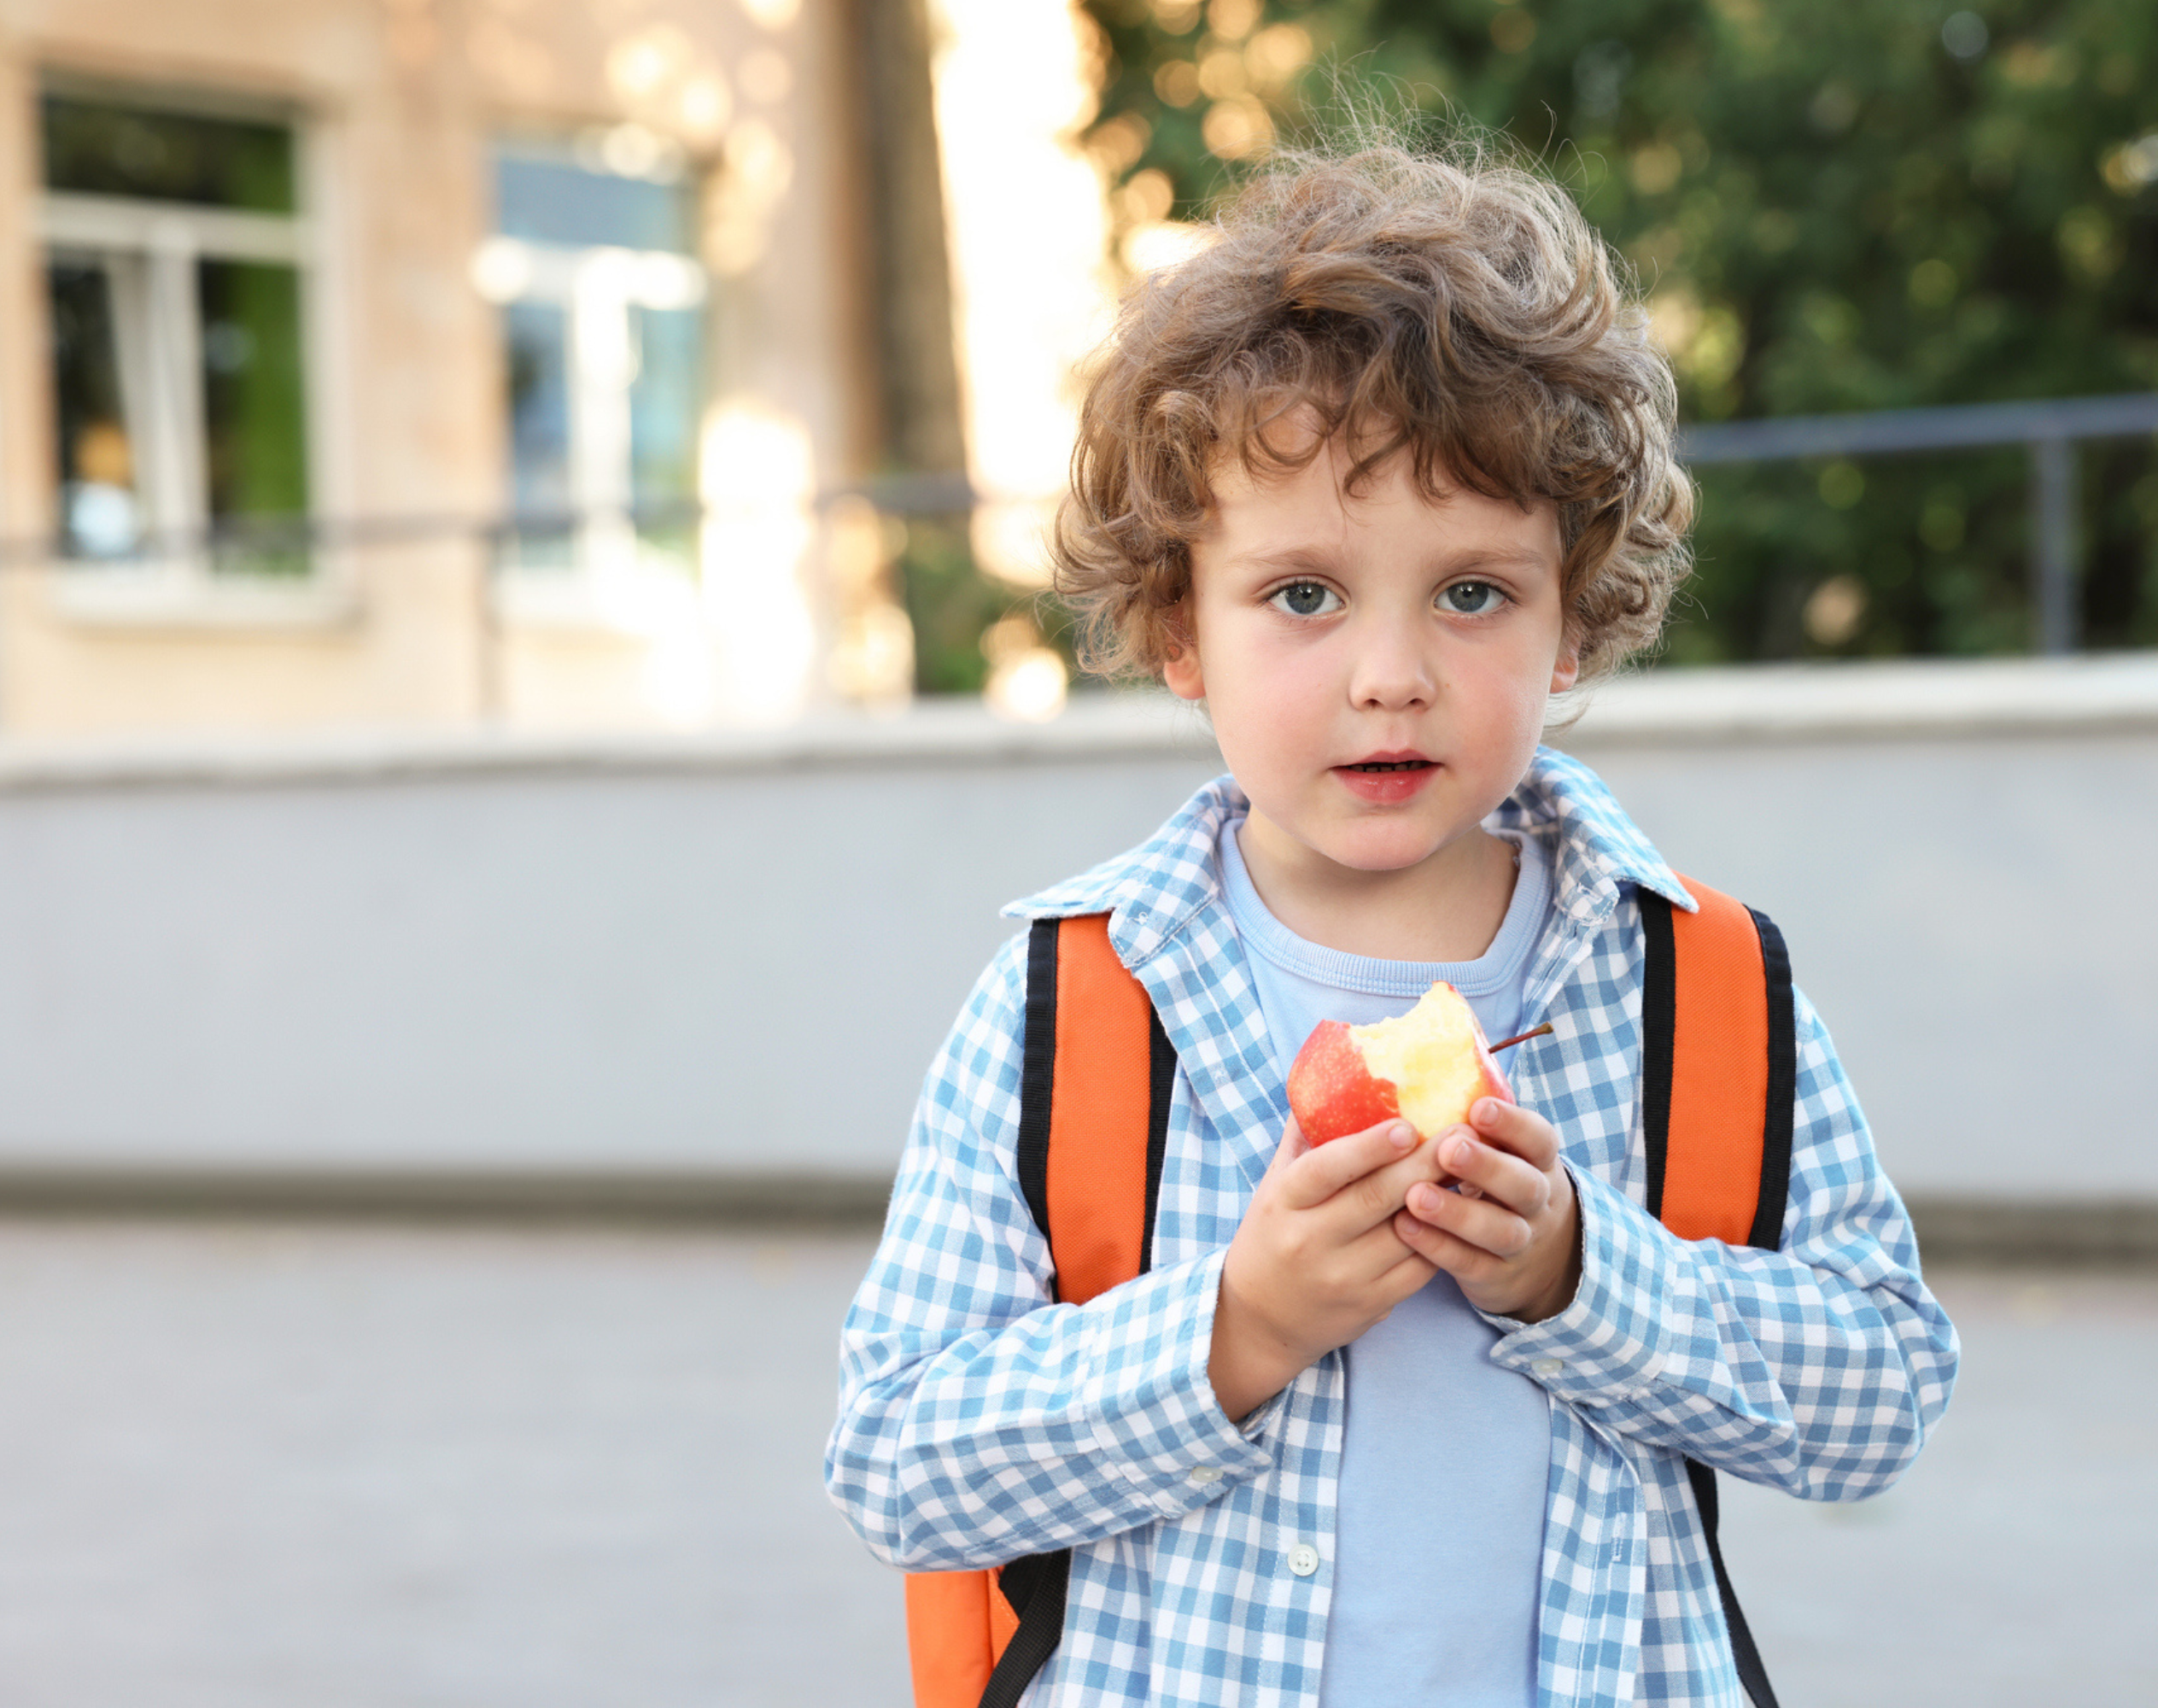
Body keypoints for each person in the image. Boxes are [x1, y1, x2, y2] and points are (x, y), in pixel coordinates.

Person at [828, 133, 1959, 1708]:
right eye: (1302, 594)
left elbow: (1881, 1399)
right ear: (1177, 626)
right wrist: (1237, 1328)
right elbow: (896, 1462)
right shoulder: (1072, 1000)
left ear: (1577, 616)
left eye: (1474, 593)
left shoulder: (1697, 986)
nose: (1390, 674)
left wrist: (1585, 1276)